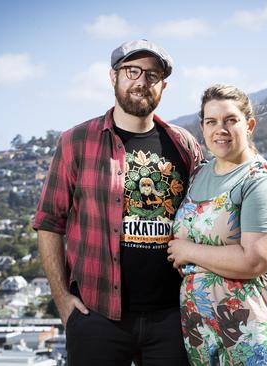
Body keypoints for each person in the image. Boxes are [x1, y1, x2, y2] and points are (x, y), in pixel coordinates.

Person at [34, 39, 203, 366]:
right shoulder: (77, 141)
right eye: (132, 71)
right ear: (114, 77)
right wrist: (63, 302)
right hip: (97, 315)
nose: (142, 81)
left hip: (172, 316)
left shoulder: (185, 144)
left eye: (152, 75)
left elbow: (205, 217)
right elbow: (49, 222)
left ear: (163, 86)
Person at [167, 84, 267, 365]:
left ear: (249, 125)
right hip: (205, 335)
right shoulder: (199, 175)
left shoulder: (261, 180)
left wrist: (188, 252)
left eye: (231, 120)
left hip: (256, 329)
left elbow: (255, 260)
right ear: (203, 128)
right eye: (212, 122)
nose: (221, 129)